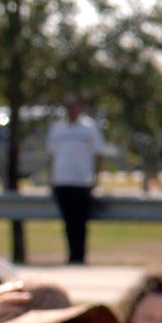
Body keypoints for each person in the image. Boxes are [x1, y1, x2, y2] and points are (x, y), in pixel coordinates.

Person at [48, 93, 112, 265]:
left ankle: (81, 256)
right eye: (69, 107)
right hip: (62, 180)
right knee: (68, 221)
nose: (71, 110)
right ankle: (71, 255)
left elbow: (99, 154)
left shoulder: (89, 127)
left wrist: (97, 179)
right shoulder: (58, 128)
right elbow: (52, 155)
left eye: (74, 107)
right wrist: (51, 178)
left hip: (82, 181)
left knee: (81, 221)